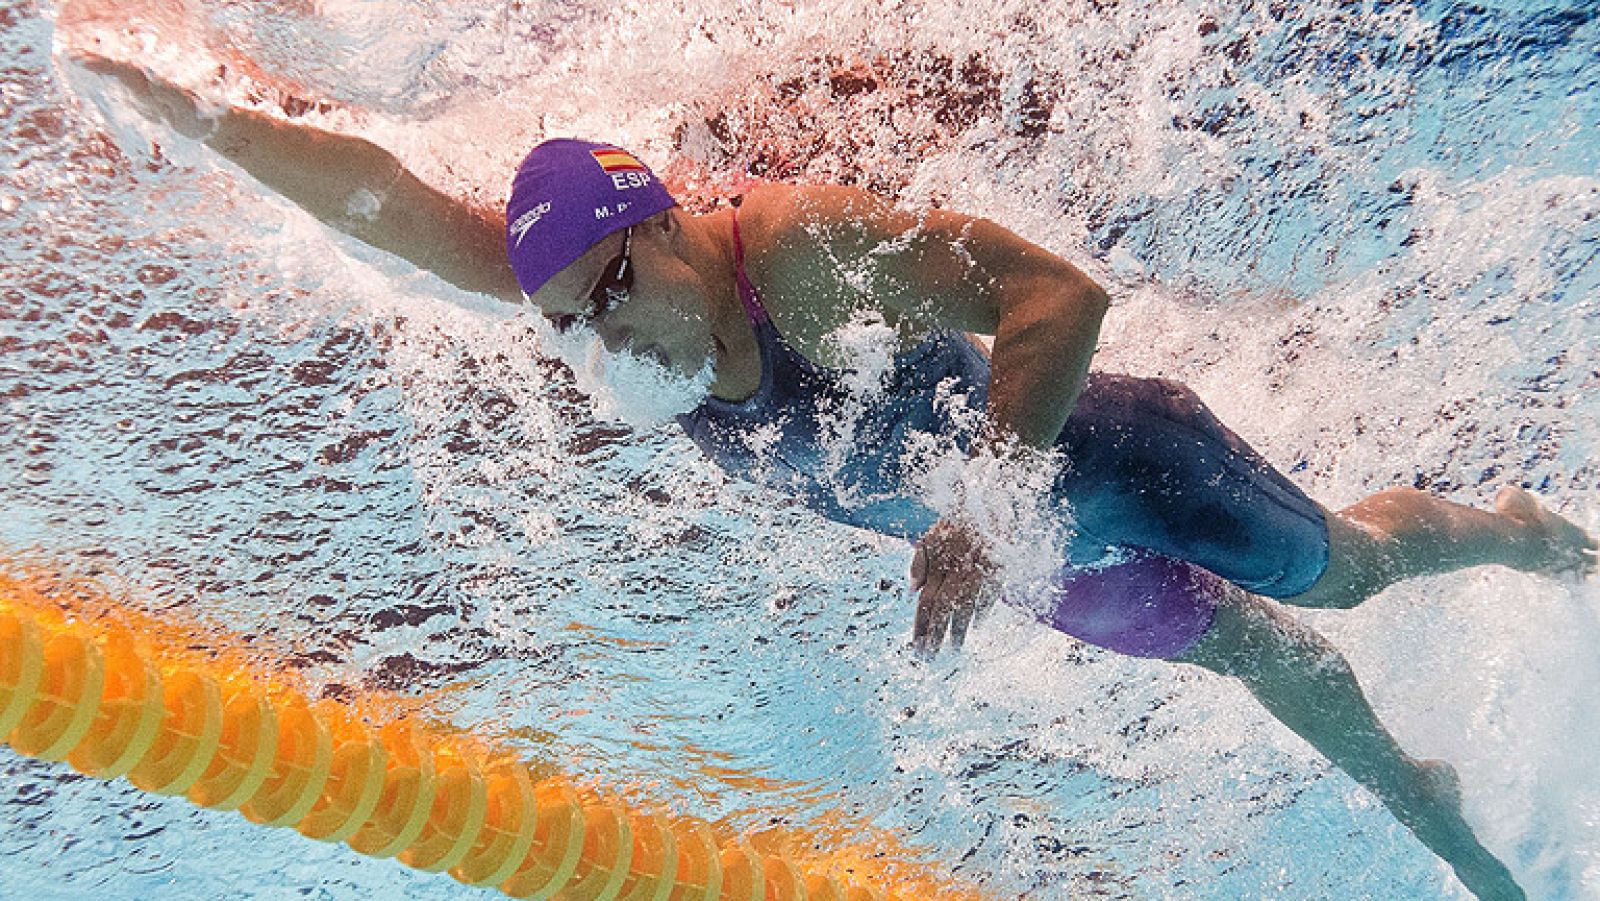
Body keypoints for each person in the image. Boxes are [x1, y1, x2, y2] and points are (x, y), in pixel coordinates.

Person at [85, 55, 1597, 901]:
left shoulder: (798, 256)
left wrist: (984, 505)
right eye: (562, 324)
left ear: (668, 224)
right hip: (1030, 550)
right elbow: (385, 201)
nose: (595, 344)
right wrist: (171, 102)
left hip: (1105, 455)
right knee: (1250, 655)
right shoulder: (582, 288)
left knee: (1343, 572)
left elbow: (1059, 299)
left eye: (613, 291)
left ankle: (1523, 529)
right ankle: (1429, 801)